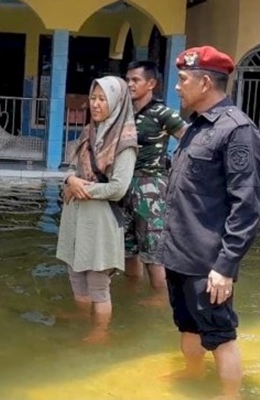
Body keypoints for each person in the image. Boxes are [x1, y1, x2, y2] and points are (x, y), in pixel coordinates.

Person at [160, 46, 260, 399]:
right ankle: (192, 375)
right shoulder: (195, 128)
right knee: (188, 325)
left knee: (220, 336)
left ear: (205, 83)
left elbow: (245, 205)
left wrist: (226, 265)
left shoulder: (237, 131)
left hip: (208, 261)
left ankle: (229, 394)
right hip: (179, 252)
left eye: (183, 80)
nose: (177, 87)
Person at [56, 75, 138, 344]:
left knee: (98, 281)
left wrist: (83, 189)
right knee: (75, 271)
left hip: (101, 219)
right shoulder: (87, 132)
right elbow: (70, 168)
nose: (96, 104)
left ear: (116, 102)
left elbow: (118, 188)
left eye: (103, 98)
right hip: (76, 215)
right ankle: (81, 317)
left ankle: (101, 332)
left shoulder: (124, 142)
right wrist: (70, 180)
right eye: (93, 97)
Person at [123, 60, 187, 306]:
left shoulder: (163, 113)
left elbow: (189, 139)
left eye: (135, 80)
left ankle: (160, 302)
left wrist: (178, 172)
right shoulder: (124, 112)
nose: (130, 84)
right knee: (128, 249)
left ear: (151, 83)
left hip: (151, 187)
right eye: (128, 79)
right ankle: (132, 297)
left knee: (153, 252)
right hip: (124, 186)